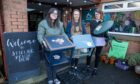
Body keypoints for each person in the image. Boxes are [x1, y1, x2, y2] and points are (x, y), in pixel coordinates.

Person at [37, 8, 68, 84]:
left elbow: (63, 33)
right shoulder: (43, 23)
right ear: (49, 14)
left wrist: (67, 39)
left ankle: (54, 77)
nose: (55, 15)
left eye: (56, 14)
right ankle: (50, 78)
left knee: (55, 63)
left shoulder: (60, 24)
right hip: (47, 47)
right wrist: (42, 41)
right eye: (53, 13)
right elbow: (40, 34)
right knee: (48, 63)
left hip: (57, 47)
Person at [90, 10, 106, 76]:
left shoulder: (103, 22)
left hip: (100, 40)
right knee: (90, 53)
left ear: (101, 15)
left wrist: (106, 39)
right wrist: (100, 24)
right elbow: (93, 31)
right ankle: (87, 66)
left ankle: (95, 68)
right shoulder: (92, 22)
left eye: (98, 14)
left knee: (97, 55)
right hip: (93, 39)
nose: (97, 15)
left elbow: (105, 32)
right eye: (96, 14)